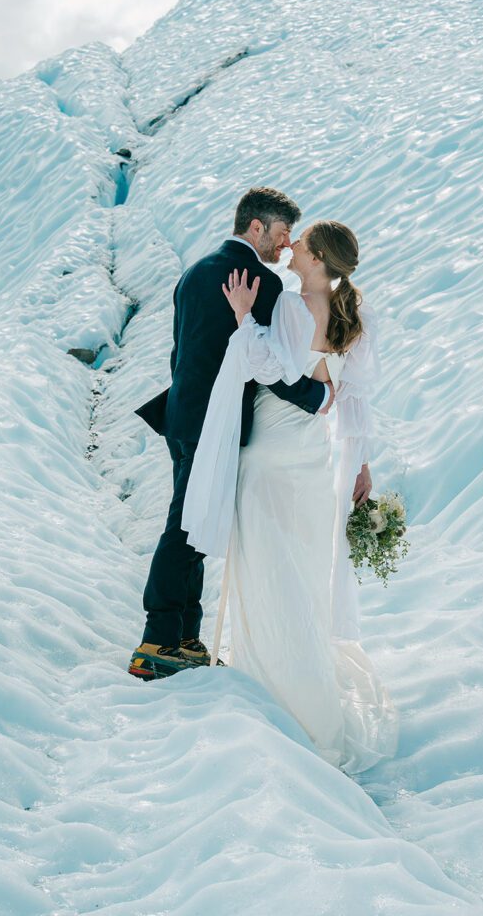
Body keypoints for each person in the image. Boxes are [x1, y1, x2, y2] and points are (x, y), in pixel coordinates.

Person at [182, 220, 399, 774]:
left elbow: (269, 367)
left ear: (318, 256)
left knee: (263, 573)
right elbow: (350, 398)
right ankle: (306, 684)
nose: (292, 246)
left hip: (272, 454)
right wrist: (364, 462)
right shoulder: (354, 314)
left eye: (301, 243)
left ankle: (276, 687)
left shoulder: (290, 305)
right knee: (300, 575)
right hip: (313, 462)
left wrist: (241, 317)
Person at [129, 187, 334, 681]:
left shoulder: (196, 270)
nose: (286, 248)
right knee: (186, 524)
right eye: (282, 235)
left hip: (182, 414)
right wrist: (317, 399)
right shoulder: (256, 280)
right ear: (257, 226)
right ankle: (155, 641)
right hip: (212, 422)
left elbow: (182, 350)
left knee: (197, 520)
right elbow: (267, 364)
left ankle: (184, 637)